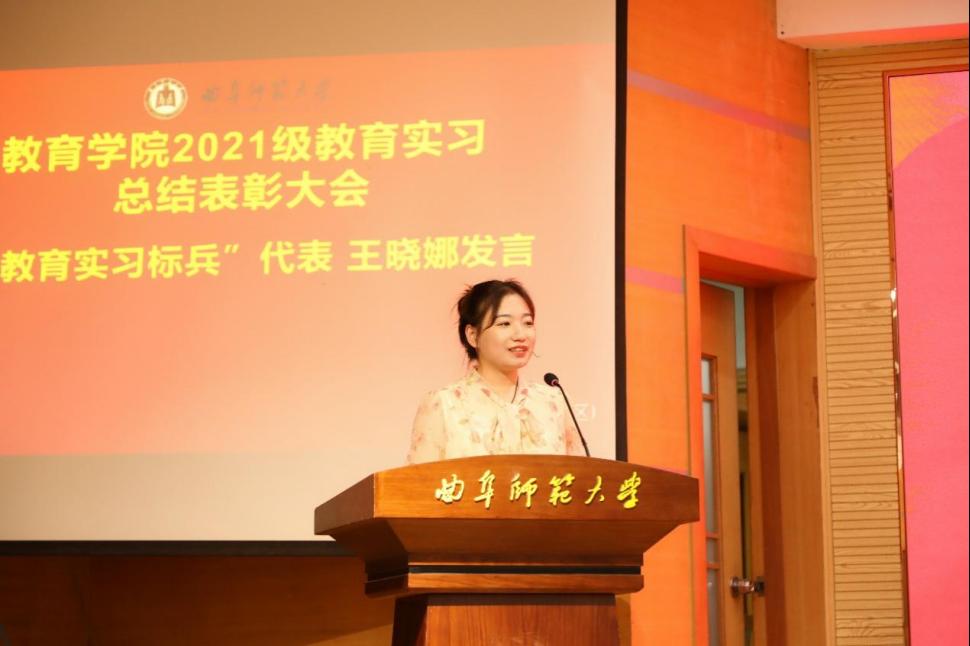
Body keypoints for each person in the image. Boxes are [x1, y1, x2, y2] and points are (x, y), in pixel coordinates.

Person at [407, 279, 585, 464]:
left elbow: (581, 476)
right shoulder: (444, 403)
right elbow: (420, 480)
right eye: (504, 324)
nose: (521, 335)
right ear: (473, 335)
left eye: (528, 322)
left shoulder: (554, 401)